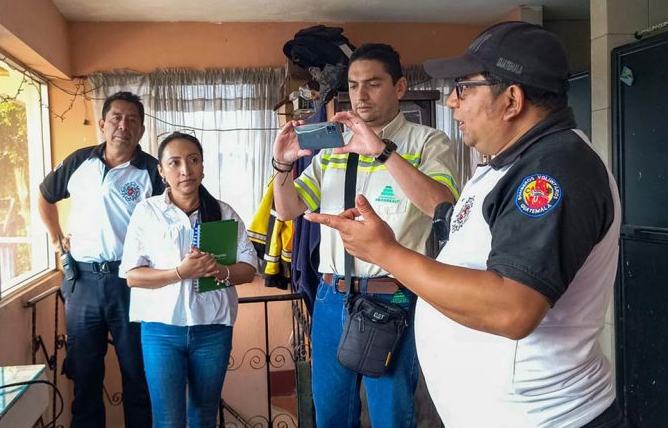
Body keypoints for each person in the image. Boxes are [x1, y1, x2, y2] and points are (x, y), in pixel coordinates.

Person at [306, 21, 626, 428]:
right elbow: (446, 215)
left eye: (464, 87)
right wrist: (383, 152)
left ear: (511, 99)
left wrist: (385, 252)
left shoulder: (553, 170)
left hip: (545, 419)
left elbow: (513, 308)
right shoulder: (507, 163)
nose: (451, 101)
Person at [272, 43, 458, 428]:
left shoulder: (427, 142)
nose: (361, 94)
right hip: (331, 297)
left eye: (373, 83)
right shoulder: (332, 148)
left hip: (394, 297)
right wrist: (281, 164)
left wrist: (381, 150)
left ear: (400, 87)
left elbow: (440, 204)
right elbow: (290, 209)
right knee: (331, 414)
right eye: (354, 85)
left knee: (391, 414)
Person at [120, 132, 258, 428]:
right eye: (175, 162)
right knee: (168, 420)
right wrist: (180, 272)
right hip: (161, 331)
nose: (186, 170)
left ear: (203, 167)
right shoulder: (147, 212)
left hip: (212, 330)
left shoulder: (222, 212)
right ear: (161, 171)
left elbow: (249, 269)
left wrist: (220, 271)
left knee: (204, 416)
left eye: (193, 160)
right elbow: (132, 276)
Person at [38, 91, 158, 428]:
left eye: (132, 119)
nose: (124, 125)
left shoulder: (151, 170)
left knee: (138, 374)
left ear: (142, 129)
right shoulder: (79, 162)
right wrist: (57, 239)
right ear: (103, 124)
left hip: (132, 284)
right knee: (85, 374)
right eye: (117, 118)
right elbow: (45, 197)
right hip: (83, 284)